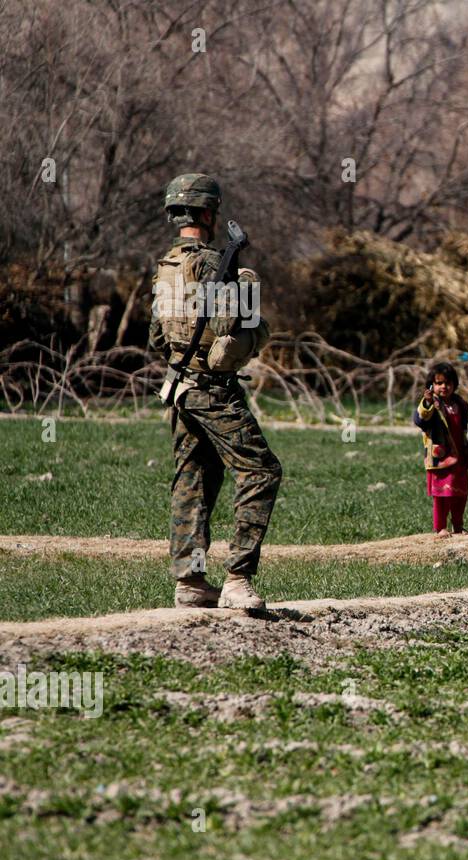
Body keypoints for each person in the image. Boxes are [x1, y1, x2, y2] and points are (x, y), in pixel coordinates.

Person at [147, 172, 281, 610]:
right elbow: (229, 330)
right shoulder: (210, 264)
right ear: (208, 212)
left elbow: (156, 339)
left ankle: (190, 580)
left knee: (194, 479)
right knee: (261, 470)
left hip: (178, 386)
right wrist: (244, 292)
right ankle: (238, 578)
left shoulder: (165, 267)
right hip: (211, 387)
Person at [413, 362, 468, 536]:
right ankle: (440, 527)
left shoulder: (459, 403)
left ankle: (458, 525)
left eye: (448, 383)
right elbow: (420, 420)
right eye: (439, 383)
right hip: (440, 457)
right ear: (432, 385)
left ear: (454, 385)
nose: (444, 387)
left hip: (460, 454)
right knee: (441, 495)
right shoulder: (430, 403)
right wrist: (427, 403)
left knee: (460, 493)